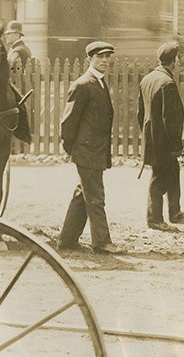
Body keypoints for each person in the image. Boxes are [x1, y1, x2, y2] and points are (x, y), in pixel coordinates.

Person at [58, 41, 121, 253]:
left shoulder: (99, 83)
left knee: (82, 193)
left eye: (107, 57)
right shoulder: (83, 84)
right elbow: (68, 121)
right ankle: (102, 242)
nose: (105, 60)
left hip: (95, 150)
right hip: (87, 150)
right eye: (100, 57)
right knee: (95, 196)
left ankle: (67, 240)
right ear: (90, 59)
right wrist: (71, 148)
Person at [136, 40, 184, 230]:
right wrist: (176, 146)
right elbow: (171, 120)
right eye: (178, 59)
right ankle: (155, 219)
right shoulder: (167, 83)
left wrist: (147, 134)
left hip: (152, 139)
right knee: (159, 178)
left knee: (173, 172)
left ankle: (175, 212)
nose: (180, 62)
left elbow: (140, 113)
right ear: (173, 61)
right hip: (164, 142)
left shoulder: (147, 79)